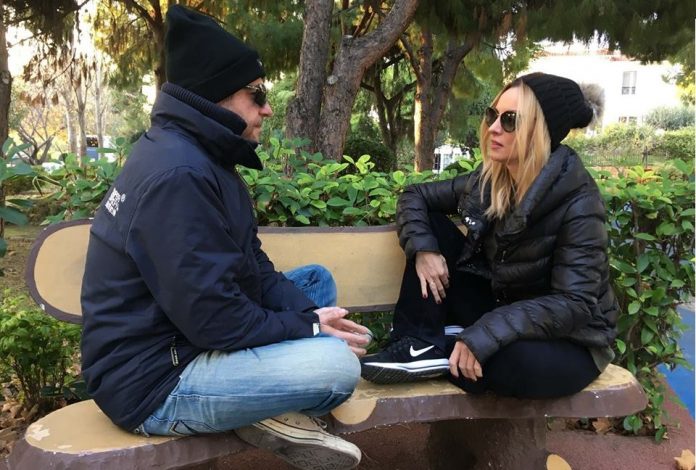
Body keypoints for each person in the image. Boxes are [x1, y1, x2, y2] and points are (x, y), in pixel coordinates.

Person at [80, 6, 369, 470]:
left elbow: (252, 268)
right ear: (216, 96)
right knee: (336, 368)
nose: (268, 108)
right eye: (257, 95)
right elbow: (215, 320)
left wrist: (309, 318)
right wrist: (311, 330)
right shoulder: (179, 176)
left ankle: (259, 406)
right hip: (155, 380)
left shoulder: (204, 158)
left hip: (188, 334)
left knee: (315, 284)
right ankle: (262, 408)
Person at [361, 72, 618, 401]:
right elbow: (415, 196)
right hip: (503, 309)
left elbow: (574, 304)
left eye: (510, 120)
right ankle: (419, 344)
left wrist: (485, 332)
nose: (494, 128)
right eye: (492, 115)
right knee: (433, 227)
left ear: (540, 132)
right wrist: (424, 251)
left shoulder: (579, 201)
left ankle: (447, 345)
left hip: (570, 339)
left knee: (508, 363)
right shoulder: (491, 179)